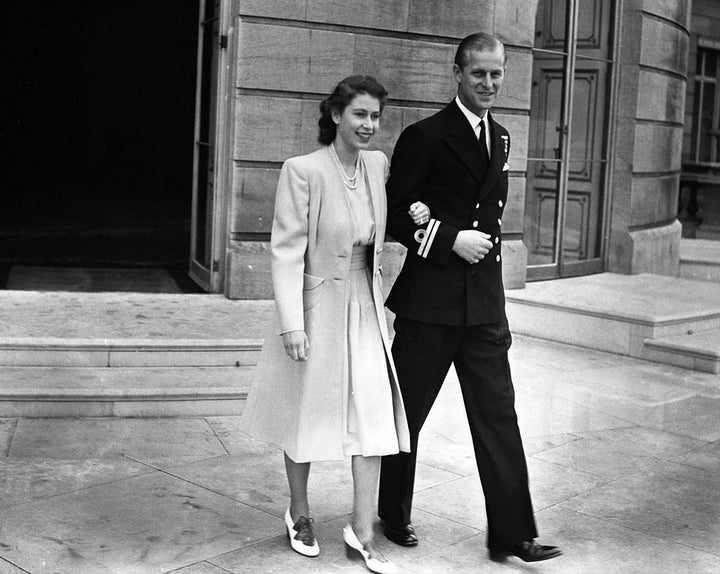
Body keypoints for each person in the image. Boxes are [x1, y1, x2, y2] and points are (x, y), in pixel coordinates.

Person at [377, 32, 562, 563]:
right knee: (406, 413)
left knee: (499, 415)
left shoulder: (501, 138)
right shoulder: (426, 136)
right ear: (456, 73)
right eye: (478, 73)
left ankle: (513, 533)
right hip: (429, 305)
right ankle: (393, 512)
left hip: (482, 305)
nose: (488, 83)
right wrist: (447, 237)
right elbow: (396, 213)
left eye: (497, 73)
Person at [241, 75, 427, 574]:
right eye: (360, 114)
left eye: (375, 117)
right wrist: (290, 323)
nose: (369, 125)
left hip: (364, 303)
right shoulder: (302, 170)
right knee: (305, 414)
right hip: (316, 306)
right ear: (336, 116)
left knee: (372, 414)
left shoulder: (377, 165)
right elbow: (285, 251)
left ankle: (362, 528)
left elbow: (387, 226)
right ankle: (299, 513)